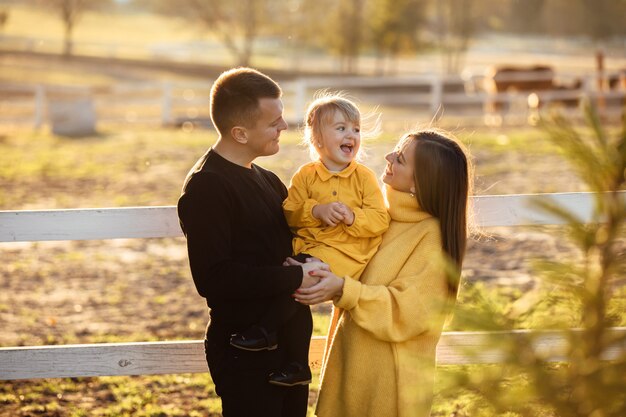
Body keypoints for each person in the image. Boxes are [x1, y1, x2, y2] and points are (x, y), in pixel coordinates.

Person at [177, 67, 326, 417]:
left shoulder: (268, 179)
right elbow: (213, 277)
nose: (285, 127)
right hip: (244, 349)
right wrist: (294, 279)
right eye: (274, 121)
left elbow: (283, 249)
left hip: (288, 348)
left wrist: (309, 265)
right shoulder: (207, 187)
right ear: (240, 133)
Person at [293, 129, 473, 417]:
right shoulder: (381, 219)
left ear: (421, 182)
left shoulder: (432, 237)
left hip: (390, 388)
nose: (388, 157)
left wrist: (343, 289)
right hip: (352, 371)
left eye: (400, 159)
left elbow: (410, 311)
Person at [230, 93, 390, 387]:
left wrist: (353, 217)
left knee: (296, 279)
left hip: (347, 256)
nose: (351, 135)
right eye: (341, 128)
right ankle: (298, 365)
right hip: (310, 251)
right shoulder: (305, 176)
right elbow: (290, 213)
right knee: (297, 294)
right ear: (316, 139)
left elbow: (380, 220)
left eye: (356, 129)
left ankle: (266, 330)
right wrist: (317, 210)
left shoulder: (364, 178)